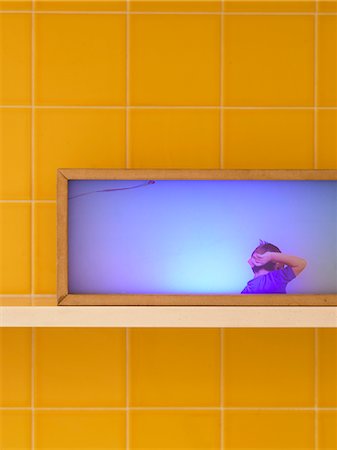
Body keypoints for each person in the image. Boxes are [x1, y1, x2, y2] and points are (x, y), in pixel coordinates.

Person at [241, 240, 307, 294]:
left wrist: (271, 257)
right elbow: (301, 263)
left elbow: (301, 263)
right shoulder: (275, 279)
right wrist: (271, 256)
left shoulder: (246, 291)